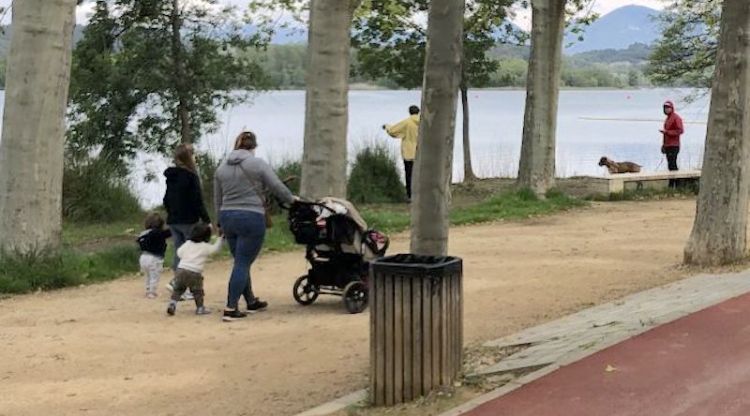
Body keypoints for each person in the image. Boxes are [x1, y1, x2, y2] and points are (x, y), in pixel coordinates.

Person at [214, 131, 296, 322]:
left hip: (228, 217)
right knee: (243, 262)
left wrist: (219, 222)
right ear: (254, 147)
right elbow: (277, 187)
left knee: (240, 261)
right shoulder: (258, 164)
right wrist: (291, 201)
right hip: (251, 217)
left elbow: (217, 198)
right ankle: (231, 307)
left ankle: (250, 301)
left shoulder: (221, 168)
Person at [163, 143, 212, 299]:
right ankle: (180, 285)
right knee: (192, 254)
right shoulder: (191, 176)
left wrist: (171, 213)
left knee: (179, 252)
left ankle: (179, 285)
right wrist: (206, 220)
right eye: (194, 154)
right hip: (188, 220)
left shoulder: (171, 176)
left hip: (173, 220)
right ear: (189, 157)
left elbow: (166, 199)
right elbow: (197, 201)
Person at [166, 223, 222, 316]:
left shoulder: (187, 243)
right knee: (197, 291)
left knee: (178, 289)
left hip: (181, 270)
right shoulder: (205, 246)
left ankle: (172, 304)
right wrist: (220, 239)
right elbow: (215, 250)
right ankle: (200, 308)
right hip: (195, 272)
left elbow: (179, 253)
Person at [383, 105, 420, 201]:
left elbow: (393, 130)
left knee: (409, 174)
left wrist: (387, 127)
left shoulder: (407, 122)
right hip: (421, 153)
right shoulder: (423, 122)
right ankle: (420, 194)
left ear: (409, 112)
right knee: (420, 174)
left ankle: (410, 195)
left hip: (409, 153)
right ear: (418, 112)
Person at [137, 212, 172, 299]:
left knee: (147, 275)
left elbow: (138, 240)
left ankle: (148, 290)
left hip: (143, 257)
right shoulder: (158, 233)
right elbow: (168, 233)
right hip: (154, 258)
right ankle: (152, 292)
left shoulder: (143, 233)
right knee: (154, 276)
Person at [660, 100, 684, 187]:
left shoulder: (676, 118)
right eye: (665, 108)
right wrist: (663, 145)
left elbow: (680, 130)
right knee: (670, 165)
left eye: (668, 108)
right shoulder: (668, 118)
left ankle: (676, 184)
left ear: (672, 108)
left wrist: (668, 132)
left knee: (673, 164)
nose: (666, 109)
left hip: (674, 145)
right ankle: (672, 184)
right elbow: (666, 133)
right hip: (668, 145)